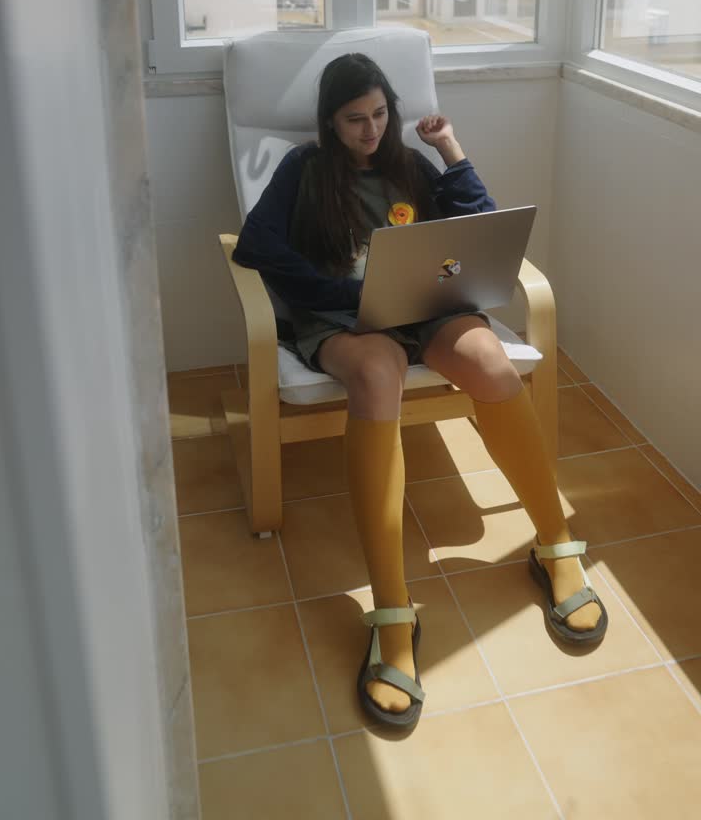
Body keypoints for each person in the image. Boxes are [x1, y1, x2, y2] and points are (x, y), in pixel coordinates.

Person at [234, 52, 608, 731]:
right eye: (355, 119)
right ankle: (392, 609)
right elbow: (255, 246)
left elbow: (481, 226)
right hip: (346, 319)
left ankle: (554, 544)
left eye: (380, 114)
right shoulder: (303, 170)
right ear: (329, 121)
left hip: (427, 308)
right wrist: (340, 294)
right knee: (378, 376)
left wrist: (450, 149)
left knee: (491, 362)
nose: (370, 130)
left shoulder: (410, 164)